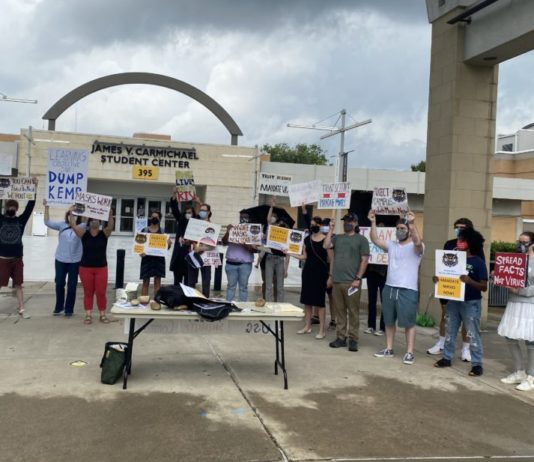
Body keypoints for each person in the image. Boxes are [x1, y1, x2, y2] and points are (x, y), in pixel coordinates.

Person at [370, 210, 424, 365]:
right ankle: (389, 348)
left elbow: (418, 242)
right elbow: (375, 240)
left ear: (408, 231)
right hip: (390, 287)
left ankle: (409, 352)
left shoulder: (416, 247)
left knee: (408, 323)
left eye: (403, 229)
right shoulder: (392, 245)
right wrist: (373, 221)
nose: (400, 231)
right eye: (398, 228)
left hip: (408, 289)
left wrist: (412, 224)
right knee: (388, 320)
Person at [427, 218, 484, 361]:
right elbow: (442, 264)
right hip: (449, 288)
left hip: (468, 292)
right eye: (456, 227)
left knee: (467, 322)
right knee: (446, 317)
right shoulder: (450, 244)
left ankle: (466, 349)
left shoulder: (475, 249)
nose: (458, 229)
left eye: (462, 227)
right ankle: (441, 343)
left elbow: (480, 270)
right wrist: (439, 279)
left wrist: (470, 280)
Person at [324, 212, 369, 352]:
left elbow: (364, 260)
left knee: (353, 311)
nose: (346, 223)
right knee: (340, 311)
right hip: (337, 280)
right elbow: (326, 245)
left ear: (355, 223)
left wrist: (358, 278)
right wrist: (330, 229)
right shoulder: (337, 238)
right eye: (344, 221)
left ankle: (353, 339)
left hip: (352, 282)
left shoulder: (361, 239)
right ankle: (341, 337)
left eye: (349, 221)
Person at [498, 231, 534, 391]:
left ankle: (531, 376)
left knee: (531, 341)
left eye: (524, 242)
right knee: (510, 336)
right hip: (514, 303)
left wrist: (520, 291)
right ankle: (519, 371)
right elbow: (507, 276)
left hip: (530, 304)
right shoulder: (513, 260)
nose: (521, 245)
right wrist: (499, 276)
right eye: (519, 241)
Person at [0, 177, 38, 319]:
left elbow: (30, 207)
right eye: (9, 206)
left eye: (14, 207)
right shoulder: (1, 220)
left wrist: (34, 189)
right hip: (2, 259)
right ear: (6, 208)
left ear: (16, 209)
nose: (11, 208)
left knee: (18, 285)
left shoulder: (20, 220)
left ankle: (22, 308)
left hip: (17, 259)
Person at [44, 199, 86, 317]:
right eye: (69, 214)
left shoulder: (82, 226)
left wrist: (81, 209)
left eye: (73, 215)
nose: (70, 216)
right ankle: (59, 307)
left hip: (75, 261)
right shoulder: (61, 225)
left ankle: (69, 309)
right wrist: (46, 207)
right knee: (59, 283)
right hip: (60, 260)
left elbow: (87, 220)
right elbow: (47, 222)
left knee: (72, 285)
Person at [72, 209, 114, 324]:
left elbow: (110, 225)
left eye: (97, 219)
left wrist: (110, 214)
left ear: (100, 222)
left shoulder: (104, 234)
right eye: (92, 220)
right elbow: (73, 226)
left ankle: (102, 315)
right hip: (85, 268)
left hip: (101, 268)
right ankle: (88, 315)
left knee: (101, 292)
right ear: (89, 223)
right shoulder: (84, 234)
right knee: (88, 292)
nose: (94, 221)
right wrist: (72, 214)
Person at [292, 216, 330, 339]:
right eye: (312, 224)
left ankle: (321, 330)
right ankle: (307, 326)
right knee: (307, 300)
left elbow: (330, 258)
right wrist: (289, 253)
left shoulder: (326, 240)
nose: (313, 226)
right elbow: (304, 256)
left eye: (315, 224)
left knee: (319, 302)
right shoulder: (307, 239)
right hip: (308, 271)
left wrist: (331, 275)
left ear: (320, 226)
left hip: (321, 273)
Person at [221, 210, 258, 302]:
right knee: (230, 287)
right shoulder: (234, 228)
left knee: (243, 287)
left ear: (249, 218)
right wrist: (228, 231)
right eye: (241, 217)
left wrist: (243, 242)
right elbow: (224, 242)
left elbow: (255, 250)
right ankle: (228, 306)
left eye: (245, 217)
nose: (243, 219)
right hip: (231, 264)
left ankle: (242, 308)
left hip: (245, 265)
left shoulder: (253, 231)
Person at [139, 210, 171, 298]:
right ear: (150, 218)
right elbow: (139, 246)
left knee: (157, 282)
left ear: (160, 219)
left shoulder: (163, 231)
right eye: (152, 216)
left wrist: (169, 244)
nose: (154, 218)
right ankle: (144, 302)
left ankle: (156, 302)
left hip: (159, 259)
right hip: (146, 259)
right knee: (145, 282)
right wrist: (140, 253)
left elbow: (167, 248)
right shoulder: (144, 230)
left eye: (156, 217)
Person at [265, 198, 290, 302]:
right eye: (273, 217)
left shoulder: (285, 233)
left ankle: (280, 306)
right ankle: (269, 305)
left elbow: (288, 252)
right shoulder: (271, 229)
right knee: (268, 285)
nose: (273, 218)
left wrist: (286, 268)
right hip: (270, 258)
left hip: (280, 259)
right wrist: (272, 206)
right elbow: (268, 219)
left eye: (275, 218)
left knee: (280, 286)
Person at [169, 188, 196, 285]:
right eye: (187, 212)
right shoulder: (181, 221)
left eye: (190, 212)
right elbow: (175, 210)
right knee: (177, 283)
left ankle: (187, 299)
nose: (188, 214)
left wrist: (199, 202)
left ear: (193, 214)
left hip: (190, 257)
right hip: (179, 256)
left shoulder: (196, 224)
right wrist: (174, 195)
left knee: (189, 283)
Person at [187, 202, 213, 297]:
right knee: (191, 282)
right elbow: (189, 239)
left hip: (206, 257)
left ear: (209, 212)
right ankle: (191, 301)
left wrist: (201, 248)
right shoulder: (194, 224)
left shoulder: (212, 226)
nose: (202, 212)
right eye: (201, 210)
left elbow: (213, 245)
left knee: (206, 282)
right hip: (194, 255)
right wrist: (192, 243)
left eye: (204, 210)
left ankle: (205, 301)